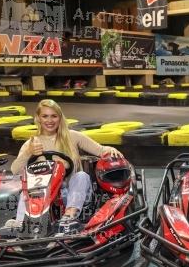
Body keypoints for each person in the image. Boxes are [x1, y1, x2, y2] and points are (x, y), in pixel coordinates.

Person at [9, 99, 123, 233]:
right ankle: (21, 221)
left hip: (71, 192)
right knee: (28, 188)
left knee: (81, 176)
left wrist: (111, 150)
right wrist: (28, 153)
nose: (49, 121)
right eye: (45, 116)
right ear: (38, 118)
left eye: (54, 116)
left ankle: (69, 217)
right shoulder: (32, 143)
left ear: (60, 118)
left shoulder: (72, 136)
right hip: (43, 196)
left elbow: (101, 149)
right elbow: (14, 170)